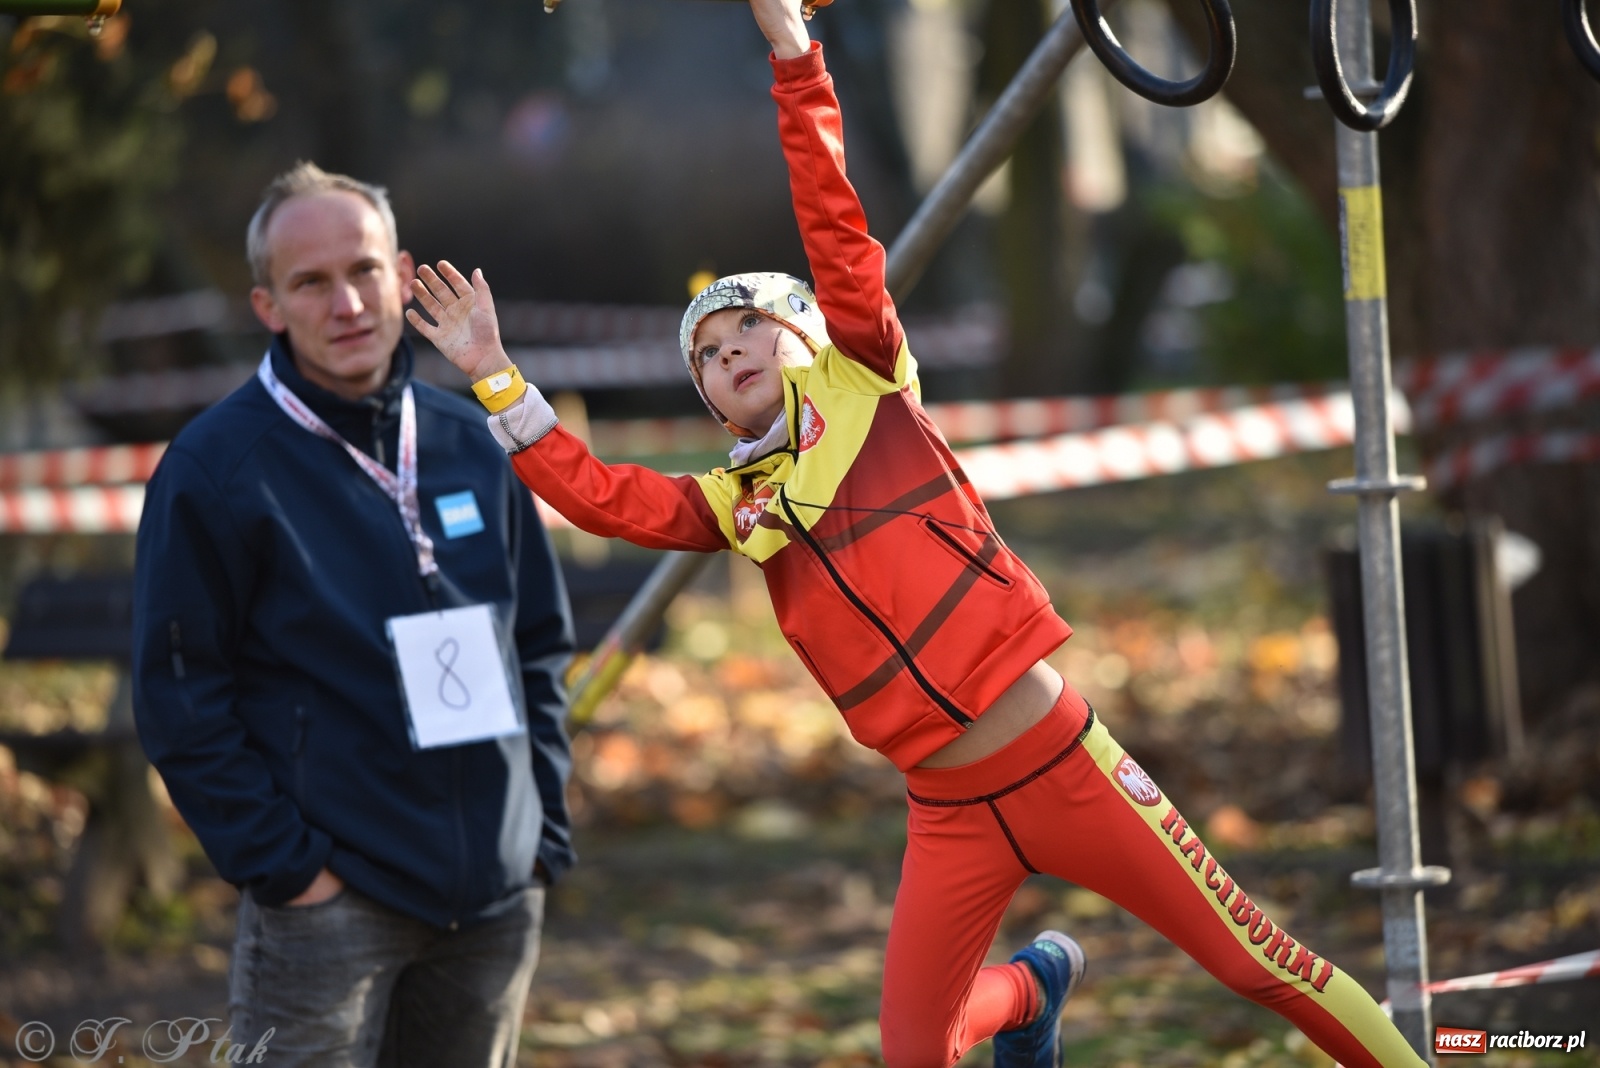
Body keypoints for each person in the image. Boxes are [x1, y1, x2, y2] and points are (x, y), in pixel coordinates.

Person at [407, 0, 1428, 1063]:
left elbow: (831, 219)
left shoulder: (871, 382)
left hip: (1060, 758)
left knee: (1251, 961)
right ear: (708, 402)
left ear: (805, 332)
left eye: (748, 322)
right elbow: (600, 495)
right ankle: (1031, 994)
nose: (729, 351)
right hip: (946, 809)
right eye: (706, 354)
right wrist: (496, 374)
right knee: (915, 1054)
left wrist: (792, 55)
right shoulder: (736, 503)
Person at [131, 161, 576, 1068]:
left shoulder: (470, 442)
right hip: (331, 910)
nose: (347, 303)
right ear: (266, 304)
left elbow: (538, 643)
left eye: (364, 270)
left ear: (402, 272)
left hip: (493, 902)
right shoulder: (218, 468)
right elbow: (180, 697)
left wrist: (541, 832)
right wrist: (291, 871)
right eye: (311, 282)